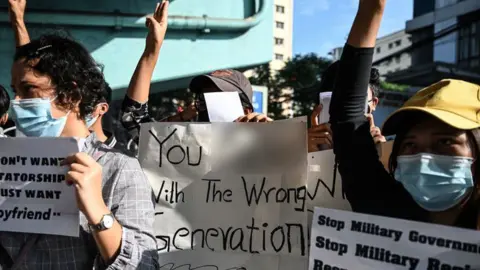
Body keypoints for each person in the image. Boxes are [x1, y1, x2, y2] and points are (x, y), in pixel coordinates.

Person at [1, 34, 158, 269]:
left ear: (71, 95)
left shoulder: (118, 169)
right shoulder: (8, 162)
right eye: (15, 91)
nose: (17, 102)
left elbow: (144, 266)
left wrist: (97, 211)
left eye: (29, 89)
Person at [330, 0, 479, 230]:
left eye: (445, 141)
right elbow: (346, 118)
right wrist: (371, 9)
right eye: (410, 144)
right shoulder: (388, 210)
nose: (423, 158)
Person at [121, 1, 272, 152]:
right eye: (203, 99)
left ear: (246, 112)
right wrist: (152, 49)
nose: (208, 107)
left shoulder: (266, 150)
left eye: (219, 99)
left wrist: (276, 133)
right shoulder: (182, 149)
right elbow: (133, 118)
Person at [308, 61, 385, 152]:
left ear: (373, 103)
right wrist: (310, 155)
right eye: (334, 103)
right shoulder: (303, 148)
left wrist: (379, 154)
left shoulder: (389, 152)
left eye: (357, 101)